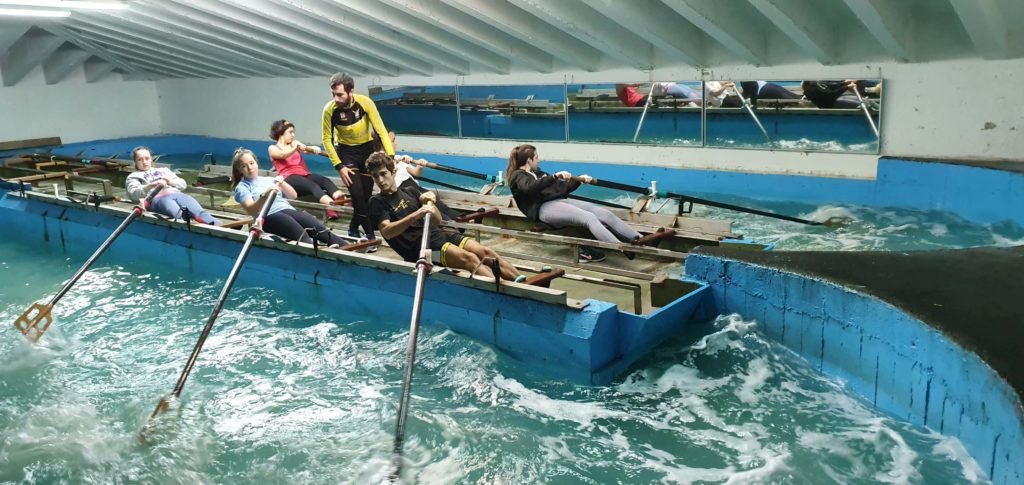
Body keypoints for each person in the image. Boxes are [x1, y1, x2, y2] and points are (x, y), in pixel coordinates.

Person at [366, 152, 521, 282]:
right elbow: (387, 231)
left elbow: (439, 220)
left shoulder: (410, 191)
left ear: (393, 172)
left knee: (486, 252)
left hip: (439, 234)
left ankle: (523, 282)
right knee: (470, 259)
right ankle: (503, 291)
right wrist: (418, 213)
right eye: (375, 176)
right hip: (421, 250)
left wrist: (432, 205)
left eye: (383, 174)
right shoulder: (377, 202)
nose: (380, 180)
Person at [506, 144, 642, 263]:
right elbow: (530, 187)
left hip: (558, 202)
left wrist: (579, 180)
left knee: (601, 212)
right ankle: (621, 248)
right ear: (529, 160)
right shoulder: (517, 176)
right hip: (543, 209)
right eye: (536, 158)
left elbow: (562, 189)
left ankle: (640, 240)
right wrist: (554, 176)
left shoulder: (540, 173)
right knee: (588, 218)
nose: (538, 160)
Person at [321, 72, 394, 240]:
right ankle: (370, 235)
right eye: (333, 94)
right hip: (346, 153)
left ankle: (353, 227)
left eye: (340, 94)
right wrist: (339, 166)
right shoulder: (329, 110)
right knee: (357, 194)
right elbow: (326, 140)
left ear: (351, 91)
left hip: (367, 150)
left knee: (366, 196)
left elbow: (381, 130)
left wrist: (390, 156)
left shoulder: (365, 103)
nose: (336, 98)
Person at [231, 148, 346, 247]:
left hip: (287, 210)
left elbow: (293, 195)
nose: (250, 168)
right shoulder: (242, 187)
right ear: (239, 170)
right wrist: (264, 196)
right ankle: (312, 248)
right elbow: (251, 209)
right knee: (294, 226)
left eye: (251, 163)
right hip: (268, 217)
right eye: (244, 166)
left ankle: (347, 246)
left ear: (256, 163)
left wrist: (282, 183)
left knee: (312, 223)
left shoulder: (268, 179)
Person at [268, 119, 343, 220]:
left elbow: (306, 149)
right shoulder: (273, 148)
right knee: (313, 186)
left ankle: (341, 199)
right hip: (288, 178)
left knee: (324, 180)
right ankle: (331, 207)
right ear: (281, 132)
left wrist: (314, 148)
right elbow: (282, 155)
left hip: (304, 175)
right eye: (290, 132)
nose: (293, 135)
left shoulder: (294, 143)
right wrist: (295, 147)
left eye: (293, 132)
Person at [126, 146, 220, 225]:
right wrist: (150, 185)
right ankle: (191, 227)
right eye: (140, 159)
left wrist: (170, 181)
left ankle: (219, 226)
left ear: (151, 159)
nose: (144, 162)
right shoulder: (133, 176)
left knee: (199, 212)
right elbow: (133, 195)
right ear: (135, 162)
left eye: (147, 158)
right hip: (157, 199)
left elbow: (183, 185)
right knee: (179, 214)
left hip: (177, 195)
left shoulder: (164, 170)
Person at [387, 130, 460, 220]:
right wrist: (398, 159)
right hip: (405, 192)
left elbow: (416, 173)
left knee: (437, 201)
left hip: (415, 188)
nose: (396, 143)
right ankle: (453, 224)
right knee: (431, 209)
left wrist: (420, 166)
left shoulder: (401, 158)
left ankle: (462, 217)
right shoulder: (384, 161)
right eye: (393, 140)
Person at [800, 80, 877, 109]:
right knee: (861, 104)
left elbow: (831, 86)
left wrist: (845, 82)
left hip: (837, 98)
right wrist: (847, 87)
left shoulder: (817, 84)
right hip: (831, 104)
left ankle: (879, 109)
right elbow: (831, 94)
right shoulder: (813, 91)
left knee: (866, 100)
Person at [738, 81, 802, 107]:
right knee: (787, 95)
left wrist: (754, 103)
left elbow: (753, 87)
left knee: (787, 96)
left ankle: (802, 101)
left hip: (765, 89)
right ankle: (802, 101)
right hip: (767, 87)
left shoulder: (745, 79)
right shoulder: (746, 77)